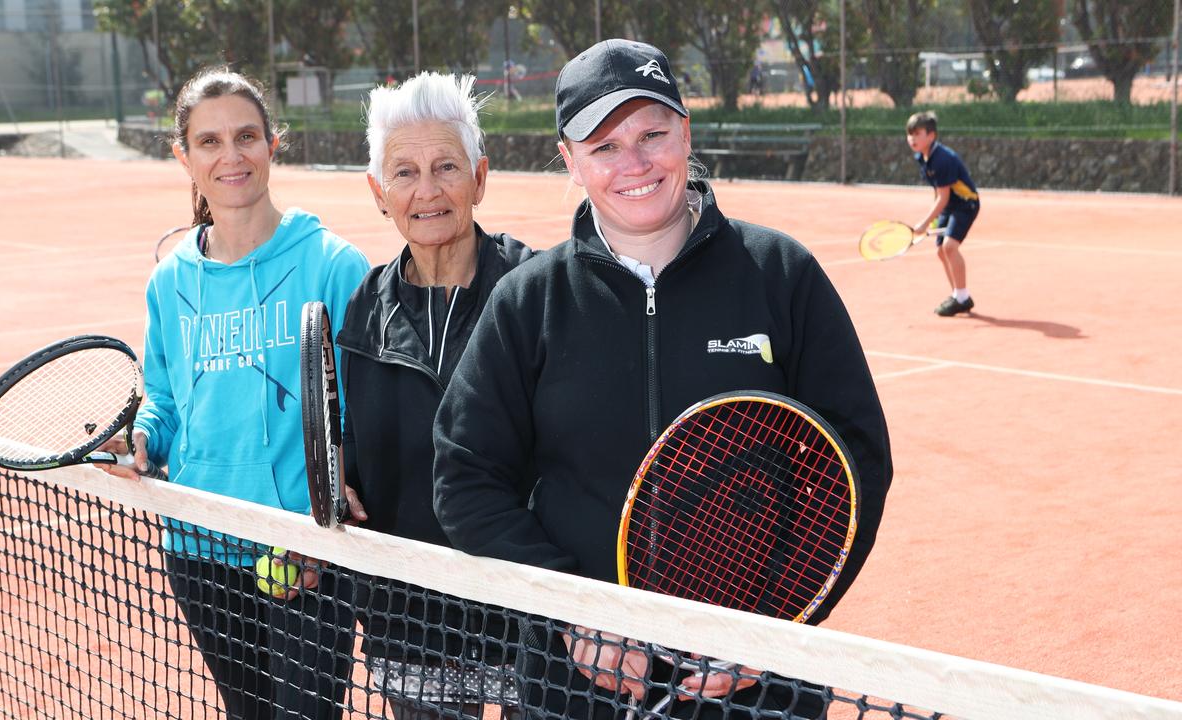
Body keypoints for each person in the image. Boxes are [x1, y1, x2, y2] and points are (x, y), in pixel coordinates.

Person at [432, 39, 892, 720]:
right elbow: (465, 476)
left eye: (653, 134)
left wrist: (776, 622)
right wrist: (573, 608)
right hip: (572, 687)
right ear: (569, 159)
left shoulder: (781, 275)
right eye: (605, 146)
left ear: (686, 132)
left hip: (760, 688)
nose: (635, 163)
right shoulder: (528, 301)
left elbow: (854, 463)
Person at [96, 67, 371, 720]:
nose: (231, 155)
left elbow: (366, 409)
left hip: (302, 550)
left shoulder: (333, 265)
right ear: (183, 157)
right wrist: (140, 437)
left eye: (246, 136)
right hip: (200, 548)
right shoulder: (170, 284)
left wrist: (332, 505)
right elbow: (164, 400)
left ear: (273, 144)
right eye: (210, 141)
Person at [336, 72, 534, 720]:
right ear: (378, 192)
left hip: (528, 623)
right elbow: (349, 442)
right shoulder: (363, 309)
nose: (427, 190)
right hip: (410, 624)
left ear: (479, 177)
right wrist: (337, 472)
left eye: (445, 166)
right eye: (405, 172)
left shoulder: (538, 293)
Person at [906, 110, 981, 317]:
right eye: (909, 134)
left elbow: (944, 197)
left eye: (917, 133)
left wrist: (924, 222)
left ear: (931, 136)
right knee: (941, 250)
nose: (912, 138)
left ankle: (962, 297)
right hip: (950, 206)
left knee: (949, 246)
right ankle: (958, 296)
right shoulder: (922, 157)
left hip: (966, 204)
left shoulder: (942, 159)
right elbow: (938, 193)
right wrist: (935, 220)